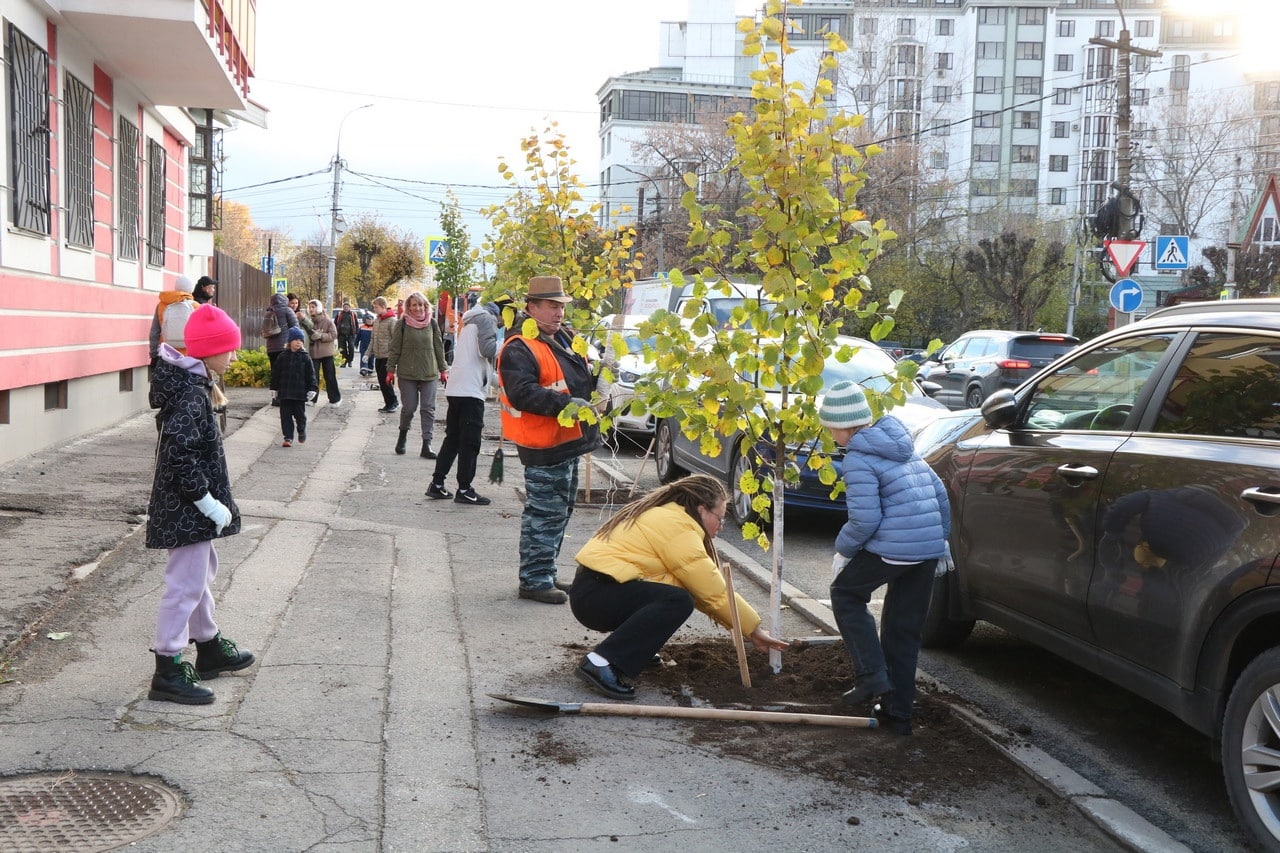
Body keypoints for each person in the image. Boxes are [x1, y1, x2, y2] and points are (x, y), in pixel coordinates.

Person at [569, 474, 789, 699]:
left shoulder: (670, 517)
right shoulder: (677, 526)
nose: (721, 526)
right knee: (678, 601)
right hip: (597, 596)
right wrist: (753, 630)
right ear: (702, 509)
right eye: (720, 519)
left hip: (595, 592)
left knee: (675, 596)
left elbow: (700, 589)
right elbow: (711, 588)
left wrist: (747, 630)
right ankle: (600, 662)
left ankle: (636, 650)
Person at [822, 381, 950, 736]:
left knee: (846, 594)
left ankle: (871, 676)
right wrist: (941, 540)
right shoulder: (903, 446)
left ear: (846, 425)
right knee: (902, 632)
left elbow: (865, 520)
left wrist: (844, 551)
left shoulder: (859, 458)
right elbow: (940, 493)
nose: (830, 435)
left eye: (831, 427)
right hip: (926, 550)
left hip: (895, 548)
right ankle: (898, 714)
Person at [146, 305, 255, 705]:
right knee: (185, 585)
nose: (234, 357)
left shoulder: (195, 388)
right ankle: (169, 666)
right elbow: (179, 457)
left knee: (200, 574)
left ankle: (207, 644)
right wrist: (207, 502)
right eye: (229, 350)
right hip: (186, 509)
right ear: (210, 351)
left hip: (186, 509)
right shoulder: (191, 396)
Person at [496, 275, 604, 604]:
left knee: (559, 512)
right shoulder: (519, 347)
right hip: (543, 445)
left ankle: (545, 571)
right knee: (543, 514)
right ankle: (534, 579)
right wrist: (568, 404)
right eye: (552, 306)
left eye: (561, 307)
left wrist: (602, 377)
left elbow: (581, 377)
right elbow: (523, 393)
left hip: (566, 441)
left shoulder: (565, 338)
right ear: (531, 308)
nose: (559, 313)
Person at [425, 298, 499, 506]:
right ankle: (465, 489)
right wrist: (506, 343)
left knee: (453, 439)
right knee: (470, 443)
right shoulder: (487, 320)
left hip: (458, 388)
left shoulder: (472, 321)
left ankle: (437, 484)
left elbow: (482, 364)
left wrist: (503, 384)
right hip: (470, 392)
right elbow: (488, 351)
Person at [386, 291, 446, 458]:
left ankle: (427, 445)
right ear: (409, 308)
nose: (418, 308)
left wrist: (443, 369)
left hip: (429, 372)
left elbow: (439, 348)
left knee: (428, 409)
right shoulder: (402, 324)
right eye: (414, 305)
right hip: (407, 373)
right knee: (409, 408)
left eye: (421, 305)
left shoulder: (432, 324)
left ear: (425, 306)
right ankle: (402, 435)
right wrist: (390, 370)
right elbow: (394, 348)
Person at [270, 327, 318, 447]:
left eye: (300, 340)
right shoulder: (282, 357)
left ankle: (301, 431)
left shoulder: (305, 357)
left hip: (299, 393)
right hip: (285, 393)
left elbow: (311, 375)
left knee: (300, 415)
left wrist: (312, 389)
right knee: (285, 417)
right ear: (289, 341)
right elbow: (275, 373)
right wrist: (273, 388)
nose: (298, 342)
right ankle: (288, 437)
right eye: (295, 340)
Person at [148, 274, 197, 360]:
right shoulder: (196, 307)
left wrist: (153, 354)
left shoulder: (161, 305)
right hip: (189, 356)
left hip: (166, 354)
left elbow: (154, 332)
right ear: (191, 289)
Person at [263, 293, 299, 407]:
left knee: (275, 372)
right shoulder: (287, 311)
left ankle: (275, 398)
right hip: (284, 347)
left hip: (271, 349)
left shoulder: (269, 312)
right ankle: (285, 396)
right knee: (286, 372)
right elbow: (295, 328)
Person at [307, 299, 341, 406]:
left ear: (319, 308)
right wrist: (311, 337)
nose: (311, 309)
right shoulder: (309, 321)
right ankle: (312, 399)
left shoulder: (327, 321)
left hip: (326, 353)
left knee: (330, 376)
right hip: (313, 353)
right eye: (310, 307)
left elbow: (334, 334)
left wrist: (322, 336)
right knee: (313, 377)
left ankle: (335, 399)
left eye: (313, 307)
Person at [370, 297, 399, 413]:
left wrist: (394, 356)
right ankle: (388, 403)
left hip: (387, 356)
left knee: (385, 380)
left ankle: (393, 402)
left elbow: (395, 339)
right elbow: (373, 338)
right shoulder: (377, 321)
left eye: (376, 307)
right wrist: (368, 353)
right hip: (378, 355)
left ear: (383, 307)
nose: (374, 309)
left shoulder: (392, 321)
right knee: (381, 381)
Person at [336, 299, 359, 367]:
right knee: (342, 349)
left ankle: (350, 361)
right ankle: (344, 361)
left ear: (349, 307)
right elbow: (335, 323)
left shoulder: (352, 314)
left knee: (351, 348)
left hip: (350, 334)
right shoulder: (340, 314)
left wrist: (356, 332)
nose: (346, 308)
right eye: (344, 307)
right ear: (343, 307)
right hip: (341, 334)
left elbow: (356, 323)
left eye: (347, 307)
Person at [357, 311, 375, 376]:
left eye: (370, 320)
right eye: (367, 320)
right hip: (363, 346)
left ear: (373, 320)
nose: (369, 321)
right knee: (363, 358)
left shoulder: (375, 328)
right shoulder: (362, 327)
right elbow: (358, 336)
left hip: (372, 346)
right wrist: (356, 343)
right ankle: (363, 370)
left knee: (371, 359)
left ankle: (370, 370)